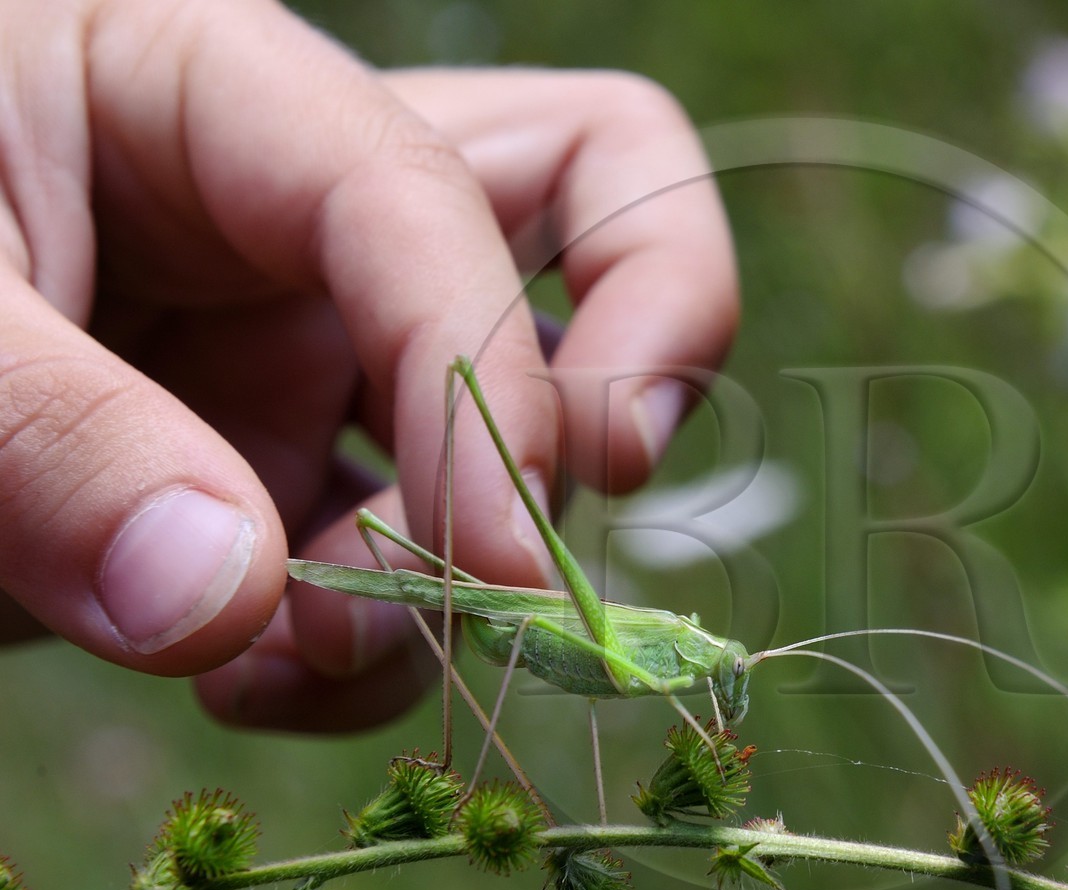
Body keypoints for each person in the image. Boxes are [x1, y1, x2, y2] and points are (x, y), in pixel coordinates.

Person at [0, 0, 739, 731]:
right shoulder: (675, 649)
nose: (727, 681)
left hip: (519, 617)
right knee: (491, 491)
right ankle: (450, 736)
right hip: (527, 619)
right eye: (730, 673)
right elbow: (621, 667)